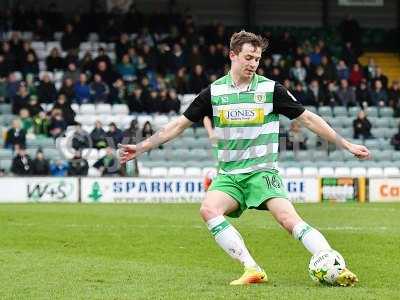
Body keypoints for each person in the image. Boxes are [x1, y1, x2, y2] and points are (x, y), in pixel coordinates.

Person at [119, 30, 370, 286]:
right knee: (209, 209)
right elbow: (178, 125)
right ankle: (252, 268)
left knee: (288, 220)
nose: (253, 63)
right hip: (229, 175)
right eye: (249, 57)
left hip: (262, 171)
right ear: (233, 55)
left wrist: (345, 143)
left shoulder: (271, 90)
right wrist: (141, 147)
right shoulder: (214, 92)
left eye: (257, 59)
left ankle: (335, 267)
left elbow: (307, 119)